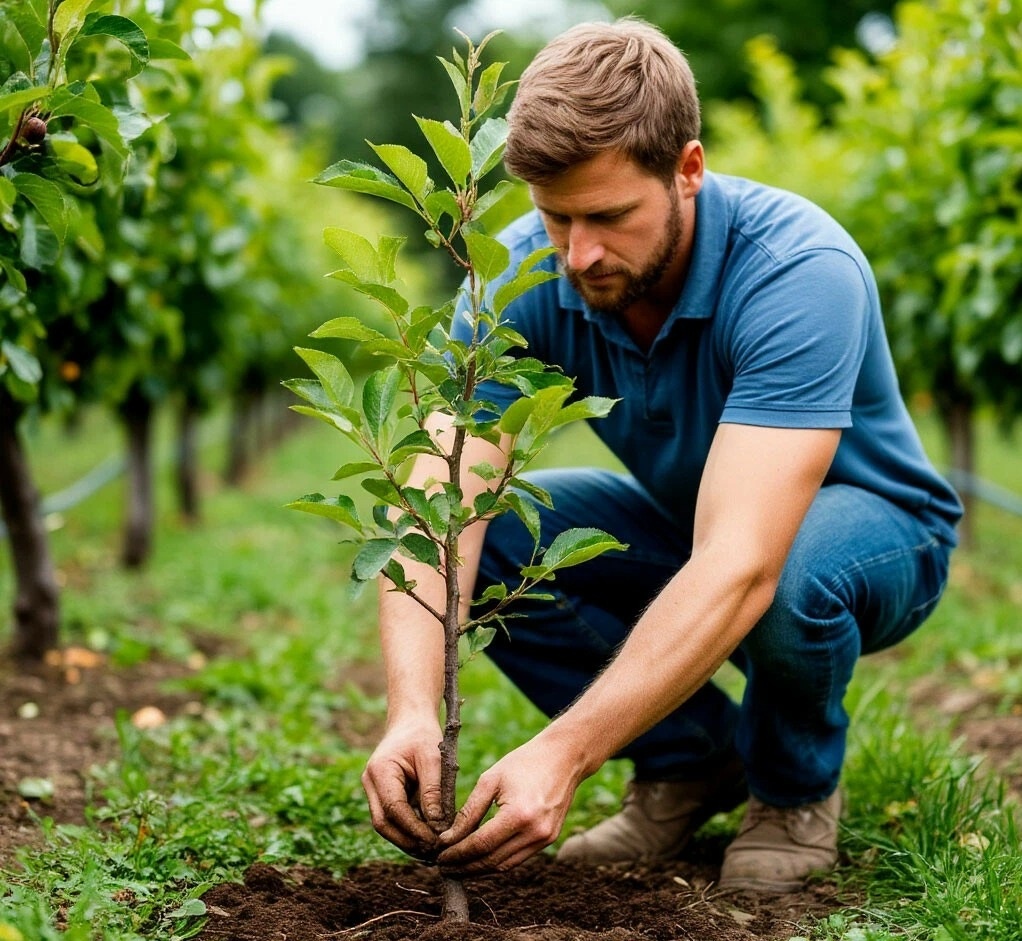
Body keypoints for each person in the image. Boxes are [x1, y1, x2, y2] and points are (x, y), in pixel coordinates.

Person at [360, 17, 962, 893]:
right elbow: (439, 502)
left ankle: (792, 791)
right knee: (501, 535)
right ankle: (690, 761)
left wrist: (566, 750)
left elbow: (745, 560)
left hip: (875, 536)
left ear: (688, 169)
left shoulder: (797, 270)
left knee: (789, 572)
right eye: (555, 216)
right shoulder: (523, 277)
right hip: (695, 526)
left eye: (610, 216)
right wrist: (411, 709)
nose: (580, 253)